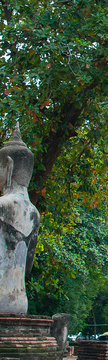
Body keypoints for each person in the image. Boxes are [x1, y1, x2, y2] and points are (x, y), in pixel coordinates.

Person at [0, 124, 40, 315]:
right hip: (18, 302)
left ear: (8, 166)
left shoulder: (3, 206)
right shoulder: (34, 213)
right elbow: (28, 268)